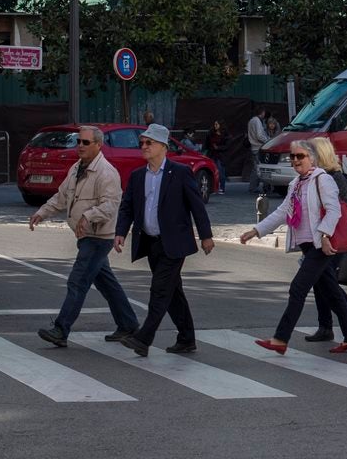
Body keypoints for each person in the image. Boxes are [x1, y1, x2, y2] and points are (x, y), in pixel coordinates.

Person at [239, 139, 347, 355]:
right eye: (293, 156)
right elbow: (281, 213)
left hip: (320, 245)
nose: (295, 160)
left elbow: (334, 211)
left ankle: (280, 338)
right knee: (331, 290)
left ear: (312, 158)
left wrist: (325, 236)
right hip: (307, 245)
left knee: (298, 289)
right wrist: (256, 230)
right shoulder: (296, 183)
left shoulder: (322, 180)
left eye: (300, 156)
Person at [29, 125, 139, 348]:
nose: (80, 145)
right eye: (78, 141)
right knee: (106, 282)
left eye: (85, 142)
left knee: (77, 281)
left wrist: (88, 216)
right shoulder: (76, 168)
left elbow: (110, 205)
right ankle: (128, 324)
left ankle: (61, 329)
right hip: (86, 235)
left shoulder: (106, 173)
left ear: (98, 146)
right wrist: (42, 212)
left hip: (99, 237)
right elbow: (61, 197)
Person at [114, 124, 215, 357]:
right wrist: (120, 231)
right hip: (151, 243)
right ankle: (187, 338)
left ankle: (143, 338)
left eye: (149, 142)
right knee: (172, 292)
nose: (144, 147)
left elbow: (196, 206)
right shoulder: (139, 175)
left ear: (162, 146)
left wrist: (206, 236)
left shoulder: (179, 173)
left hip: (175, 242)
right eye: (142, 143)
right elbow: (127, 206)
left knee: (160, 290)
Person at [305, 137, 347, 343]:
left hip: (332, 239)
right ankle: (326, 326)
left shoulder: (334, 178)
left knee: (326, 282)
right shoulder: (316, 176)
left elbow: (338, 211)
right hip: (319, 238)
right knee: (321, 282)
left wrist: (324, 234)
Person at [246, 108, 270, 195]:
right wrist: (269, 141)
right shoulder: (257, 121)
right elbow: (260, 135)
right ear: (263, 112)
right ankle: (262, 187)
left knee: (255, 168)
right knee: (260, 168)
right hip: (259, 147)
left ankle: (252, 187)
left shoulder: (251, 121)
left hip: (253, 147)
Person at [205, 120, 229, 194]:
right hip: (212, 154)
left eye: (217, 124)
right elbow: (207, 143)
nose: (215, 126)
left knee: (221, 172)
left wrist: (218, 148)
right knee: (213, 171)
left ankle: (221, 187)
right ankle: (214, 187)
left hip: (220, 156)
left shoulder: (225, 135)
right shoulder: (211, 133)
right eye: (214, 124)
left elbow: (227, 146)